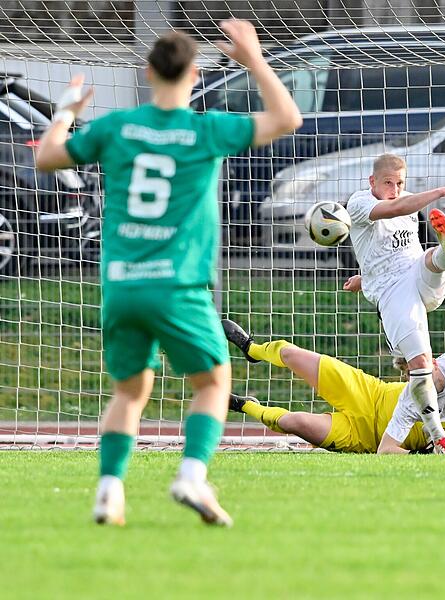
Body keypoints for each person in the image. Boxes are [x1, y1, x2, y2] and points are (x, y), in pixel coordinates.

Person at [34, 21, 302, 526]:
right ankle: (191, 476)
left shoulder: (116, 128)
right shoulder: (206, 130)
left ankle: (109, 490)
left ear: (148, 70)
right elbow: (288, 117)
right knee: (213, 382)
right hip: (178, 285)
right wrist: (254, 59)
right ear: (195, 75)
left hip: (122, 285)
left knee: (129, 392)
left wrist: (67, 111)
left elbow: (48, 156)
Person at [222, 319, 445, 455]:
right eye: (410, 370)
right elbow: (386, 450)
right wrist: (425, 458)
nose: (416, 374)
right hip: (369, 398)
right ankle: (252, 359)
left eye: (421, 366)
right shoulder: (411, 396)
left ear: (432, 360)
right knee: (293, 355)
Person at [343, 154, 445, 454]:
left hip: (418, 277)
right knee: (420, 364)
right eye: (388, 183)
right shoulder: (359, 202)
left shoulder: (408, 205)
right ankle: (436, 435)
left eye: (400, 183)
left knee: (433, 259)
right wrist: (442, 191)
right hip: (393, 293)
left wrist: (365, 277)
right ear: (372, 182)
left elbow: (389, 253)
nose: (395, 189)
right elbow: (395, 209)